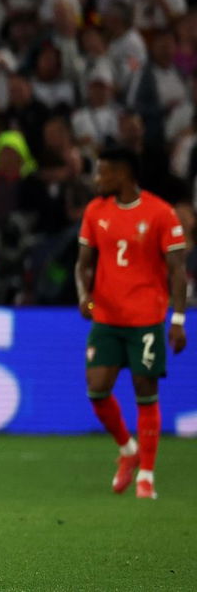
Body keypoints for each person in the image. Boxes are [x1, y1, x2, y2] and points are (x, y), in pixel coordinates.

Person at [75, 146, 187, 500]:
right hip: (107, 317)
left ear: (122, 174)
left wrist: (178, 319)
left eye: (102, 172)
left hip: (146, 319)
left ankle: (147, 478)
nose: (97, 179)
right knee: (97, 388)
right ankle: (127, 449)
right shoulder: (96, 211)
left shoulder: (160, 213)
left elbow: (178, 271)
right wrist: (83, 295)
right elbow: (83, 264)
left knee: (145, 393)